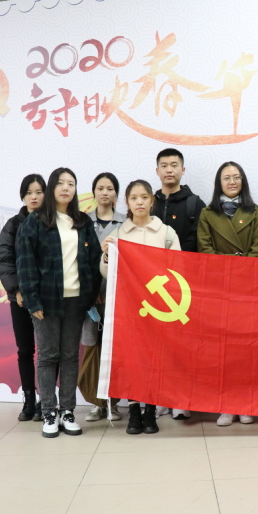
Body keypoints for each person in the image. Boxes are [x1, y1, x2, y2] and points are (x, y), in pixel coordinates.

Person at [17, 167, 102, 438]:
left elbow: (93, 260)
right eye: (61, 183)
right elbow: (25, 264)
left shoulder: (82, 221)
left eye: (71, 184)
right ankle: (49, 412)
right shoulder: (36, 221)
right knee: (47, 356)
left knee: (69, 357)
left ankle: (67, 411)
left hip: (76, 301)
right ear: (52, 187)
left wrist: (89, 296)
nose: (66, 188)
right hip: (46, 302)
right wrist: (33, 301)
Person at [100, 179, 182, 435]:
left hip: (158, 308)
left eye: (144, 197)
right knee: (132, 358)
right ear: (126, 202)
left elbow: (178, 268)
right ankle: (134, 409)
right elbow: (107, 273)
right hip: (129, 308)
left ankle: (151, 409)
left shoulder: (166, 232)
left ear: (152, 201)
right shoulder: (118, 235)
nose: (139, 202)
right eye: (134, 198)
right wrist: (106, 255)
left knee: (155, 357)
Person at [197, 161, 258, 426]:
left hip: (248, 287)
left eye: (237, 177)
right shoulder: (207, 213)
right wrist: (228, 270)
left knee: (247, 348)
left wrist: (240, 270)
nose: (232, 182)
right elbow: (204, 250)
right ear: (219, 183)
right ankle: (226, 405)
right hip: (219, 288)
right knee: (223, 349)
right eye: (226, 178)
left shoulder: (255, 211)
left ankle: (246, 403)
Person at [150, 148, 205, 420]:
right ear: (157, 171)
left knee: (184, 346)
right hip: (152, 284)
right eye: (164, 165)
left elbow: (199, 241)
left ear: (183, 170)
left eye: (174, 165)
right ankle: (162, 397)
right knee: (158, 345)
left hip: (185, 286)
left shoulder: (195, 204)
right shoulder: (148, 202)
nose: (169, 169)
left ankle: (182, 399)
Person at [0, 173, 46, 422]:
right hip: (20, 299)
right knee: (25, 350)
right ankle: (29, 399)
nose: (33, 197)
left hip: (46, 298)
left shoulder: (52, 222)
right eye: (29, 193)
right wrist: (16, 290)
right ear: (23, 196)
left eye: (38, 192)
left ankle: (47, 400)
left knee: (48, 351)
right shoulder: (13, 225)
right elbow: (4, 260)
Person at [81, 173, 126, 423]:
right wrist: (90, 291)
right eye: (100, 188)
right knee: (92, 347)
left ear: (116, 193)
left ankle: (113, 403)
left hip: (119, 297)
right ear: (94, 192)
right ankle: (96, 404)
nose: (105, 192)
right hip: (89, 298)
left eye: (110, 188)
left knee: (115, 350)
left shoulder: (126, 222)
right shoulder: (82, 222)